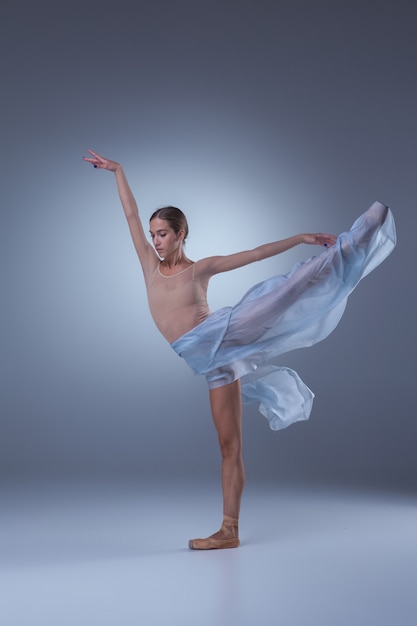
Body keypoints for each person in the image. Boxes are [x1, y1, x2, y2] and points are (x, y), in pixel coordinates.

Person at [83, 149, 396, 550]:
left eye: (163, 233)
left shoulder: (200, 268)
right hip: (214, 363)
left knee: (285, 291)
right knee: (229, 446)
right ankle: (229, 531)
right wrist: (118, 171)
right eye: (153, 234)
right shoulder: (148, 264)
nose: (156, 241)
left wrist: (301, 238)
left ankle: (358, 238)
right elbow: (129, 213)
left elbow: (252, 255)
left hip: (223, 335)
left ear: (181, 234)